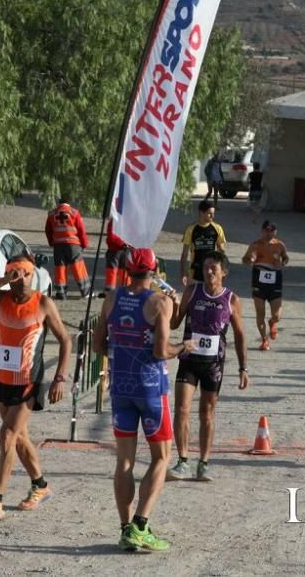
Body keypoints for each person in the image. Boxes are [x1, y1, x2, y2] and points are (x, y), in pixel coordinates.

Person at [92, 247, 188, 552]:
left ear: (127, 270)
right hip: (150, 388)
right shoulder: (160, 301)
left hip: (120, 386)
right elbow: (162, 350)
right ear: (155, 270)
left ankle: (124, 529)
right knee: (161, 457)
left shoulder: (112, 298)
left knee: (125, 461)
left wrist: (122, 349)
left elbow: (97, 344)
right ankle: (140, 525)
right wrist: (182, 347)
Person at [0, 254, 72, 520]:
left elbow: (65, 340)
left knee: (7, 435)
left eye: (26, 273)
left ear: (33, 274)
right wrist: (3, 280)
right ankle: (40, 485)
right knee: (20, 437)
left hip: (29, 379)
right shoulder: (1, 298)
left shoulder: (43, 303)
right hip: (2, 378)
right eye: (16, 273)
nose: (21, 279)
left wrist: (60, 377)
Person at [167, 251, 248, 483]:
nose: (209, 271)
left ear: (224, 271)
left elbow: (241, 336)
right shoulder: (192, 292)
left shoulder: (231, 299)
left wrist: (243, 368)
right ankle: (183, 461)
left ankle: (203, 463)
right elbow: (174, 323)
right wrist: (174, 304)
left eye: (213, 267)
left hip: (213, 365)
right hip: (188, 360)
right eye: (205, 267)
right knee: (182, 408)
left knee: (207, 413)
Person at [241, 221, 289, 351]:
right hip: (259, 282)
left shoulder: (280, 245)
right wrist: (250, 260)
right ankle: (264, 340)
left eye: (272, 231)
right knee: (260, 312)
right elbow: (244, 259)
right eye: (267, 231)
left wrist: (283, 263)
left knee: (277, 315)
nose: (269, 233)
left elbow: (286, 258)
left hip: (275, 281)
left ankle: (272, 322)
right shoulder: (255, 245)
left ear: (275, 232)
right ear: (262, 231)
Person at [45, 197, 91, 299]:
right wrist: (84, 244)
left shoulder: (52, 213)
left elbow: (48, 230)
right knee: (78, 267)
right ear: (69, 203)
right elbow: (81, 230)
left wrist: (51, 242)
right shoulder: (74, 212)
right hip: (72, 244)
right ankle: (85, 292)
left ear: (59, 203)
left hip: (58, 245)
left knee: (60, 268)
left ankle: (61, 292)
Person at [180, 200, 226, 287]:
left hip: (212, 271)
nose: (213, 216)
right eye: (209, 213)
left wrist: (222, 269)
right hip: (195, 271)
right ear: (201, 213)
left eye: (213, 213)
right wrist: (183, 273)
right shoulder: (191, 229)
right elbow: (184, 254)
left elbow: (221, 251)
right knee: (194, 297)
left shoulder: (217, 228)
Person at [99, 219, 130, 298]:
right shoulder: (125, 220)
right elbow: (112, 236)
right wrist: (124, 243)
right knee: (119, 270)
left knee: (120, 271)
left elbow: (111, 236)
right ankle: (124, 290)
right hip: (119, 249)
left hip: (117, 250)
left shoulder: (115, 221)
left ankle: (113, 290)